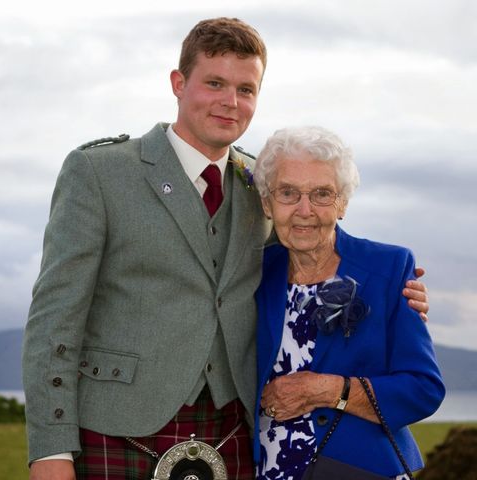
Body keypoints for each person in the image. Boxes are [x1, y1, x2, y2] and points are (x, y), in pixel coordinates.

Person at [22, 18, 430, 480]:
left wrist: (395, 291)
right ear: (179, 84)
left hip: (234, 431)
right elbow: (54, 319)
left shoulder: (263, 183)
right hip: (118, 429)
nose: (230, 102)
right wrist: (50, 449)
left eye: (246, 89)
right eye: (214, 83)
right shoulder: (100, 173)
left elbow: (312, 250)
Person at [251, 126, 445, 479]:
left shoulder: (388, 268)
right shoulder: (253, 274)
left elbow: (423, 389)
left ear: (342, 204)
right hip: (267, 468)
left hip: (359, 468)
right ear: (267, 203)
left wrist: (328, 390)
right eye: (288, 193)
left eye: (322, 194)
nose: (304, 209)